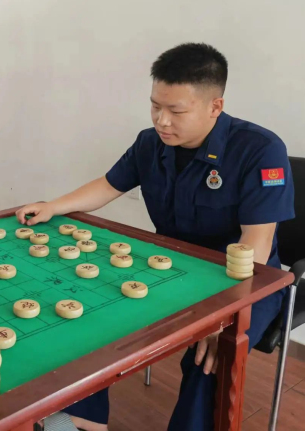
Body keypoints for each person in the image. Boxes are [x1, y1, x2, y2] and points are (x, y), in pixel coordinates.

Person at [16, 43, 294, 431]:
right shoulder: (150, 142)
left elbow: (257, 243)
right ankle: (82, 421)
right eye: (155, 106)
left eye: (176, 111)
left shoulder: (259, 150)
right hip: (168, 267)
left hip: (244, 280)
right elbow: (109, 185)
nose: (162, 121)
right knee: (87, 311)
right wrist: (53, 206)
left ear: (215, 106)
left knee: (210, 359)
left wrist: (226, 313)